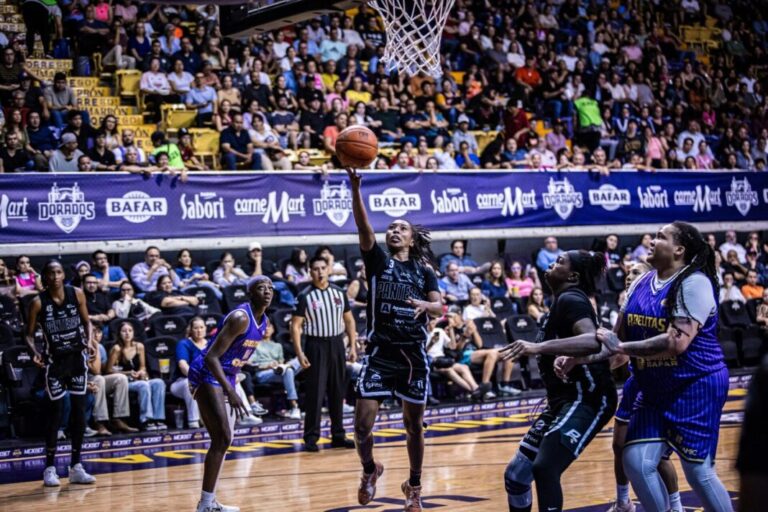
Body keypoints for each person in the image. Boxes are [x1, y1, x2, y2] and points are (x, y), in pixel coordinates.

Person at [595, 222, 733, 512]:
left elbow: (676, 342)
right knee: (636, 461)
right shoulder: (639, 284)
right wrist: (578, 363)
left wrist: (622, 348)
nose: (652, 240)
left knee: (698, 473)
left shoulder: (694, 283)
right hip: (654, 386)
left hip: (695, 384)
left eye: (660, 237)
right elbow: (615, 343)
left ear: (679, 249)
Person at [345, 166, 443, 511]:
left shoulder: (425, 270)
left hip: (413, 357)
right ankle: (370, 471)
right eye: (391, 227)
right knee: (360, 427)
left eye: (401, 227)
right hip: (380, 354)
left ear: (412, 238)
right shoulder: (378, 261)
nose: (394, 230)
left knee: (414, 427)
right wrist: (356, 189)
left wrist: (426, 304)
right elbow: (363, 226)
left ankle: (414, 485)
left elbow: (440, 307)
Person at [499, 250, 616, 512]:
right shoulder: (559, 302)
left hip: (589, 396)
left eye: (560, 262)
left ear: (572, 276)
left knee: (545, 467)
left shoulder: (572, 299)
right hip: (561, 401)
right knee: (516, 476)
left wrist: (538, 348)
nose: (552, 264)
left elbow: (590, 340)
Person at [188, 276, 273, 512]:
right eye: (261, 288)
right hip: (207, 372)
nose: (267, 291)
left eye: (270, 287)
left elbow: (237, 355)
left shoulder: (264, 321)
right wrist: (231, 391)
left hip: (227, 374)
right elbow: (211, 357)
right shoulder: (240, 318)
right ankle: (205, 505)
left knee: (224, 439)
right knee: (223, 437)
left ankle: (209, 502)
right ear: (250, 294)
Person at [25, 260, 98, 487]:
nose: (55, 276)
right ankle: (49, 468)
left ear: (63, 275)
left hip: (76, 360)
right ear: (44, 278)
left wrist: (90, 341)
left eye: (59, 272)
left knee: (79, 412)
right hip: (54, 363)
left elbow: (87, 323)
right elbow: (27, 334)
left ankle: (76, 466)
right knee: (55, 414)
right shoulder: (38, 303)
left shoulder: (76, 294)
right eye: (51, 273)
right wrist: (34, 352)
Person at [291, 255, 357, 451]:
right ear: (310, 272)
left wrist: (352, 345)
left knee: (338, 391)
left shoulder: (338, 292)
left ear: (329, 269)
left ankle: (338, 435)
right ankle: (311, 437)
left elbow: (350, 320)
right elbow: (295, 326)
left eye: (323, 268)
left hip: (336, 344)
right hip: (315, 345)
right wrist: (299, 352)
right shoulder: (305, 295)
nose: (320, 272)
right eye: (315, 269)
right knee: (315, 392)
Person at [106, 320, 167, 431]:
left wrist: (141, 372)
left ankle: (158, 419)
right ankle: (146, 420)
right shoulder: (117, 349)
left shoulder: (139, 346)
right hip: (124, 383)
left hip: (138, 379)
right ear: (119, 333)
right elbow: (108, 371)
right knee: (143, 385)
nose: (127, 333)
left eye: (130, 330)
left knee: (159, 382)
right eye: (124, 331)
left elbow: (143, 366)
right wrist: (128, 373)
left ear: (133, 332)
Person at [171, 317, 208, 429]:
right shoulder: (184, 344)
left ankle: (246, 414)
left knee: (233, 381)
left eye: (201, 327)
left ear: (205, 329)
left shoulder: (211, 343)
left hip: (207, 381)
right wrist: (196, 377)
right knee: (190, 382)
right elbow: (183, 365)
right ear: (191, 330)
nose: (199, 330)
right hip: (181, 382)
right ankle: (193, 420)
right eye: (196, 328)